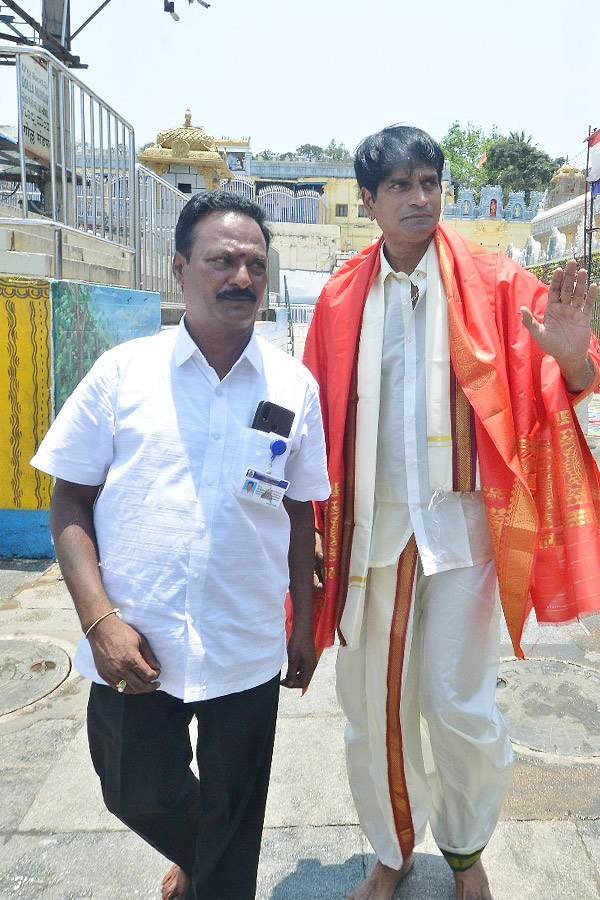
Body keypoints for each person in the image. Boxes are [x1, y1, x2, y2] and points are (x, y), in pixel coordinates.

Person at [303, 125, 600, 900]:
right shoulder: (340, 298)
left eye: (429, 182)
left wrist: (571, 354)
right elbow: (314, 416)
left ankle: (467, 855)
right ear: (367, 199)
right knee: (374, 708)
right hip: (371, 533)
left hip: (464, 531)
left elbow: (567, 380)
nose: (419, 198)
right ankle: (392, 851)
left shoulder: (497, 283)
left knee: (458, 704)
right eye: (399, 185)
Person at [31, 190, 330, 900]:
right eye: (222, 260)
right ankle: (215, 864)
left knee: (236, 812)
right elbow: (69, 501)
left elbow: (299, 512)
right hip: (137, 638)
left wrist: (307, 625)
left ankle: (217, 879)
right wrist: (99, 622)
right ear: (180, 268)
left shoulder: (292, 385)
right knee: (133, 790)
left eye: (256, 264)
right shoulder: (122, 373)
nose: (242, 278)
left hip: (245, 638)